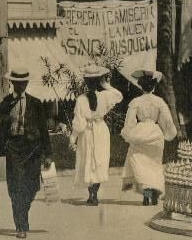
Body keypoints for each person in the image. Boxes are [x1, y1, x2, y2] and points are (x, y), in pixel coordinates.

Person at [0, 68, 53, 238]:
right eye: (17, 82)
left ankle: (22, 213)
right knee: (16, 186)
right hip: (14, 148)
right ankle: (21, 225)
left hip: (32, 149)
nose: (20, 85)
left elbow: (44, 130)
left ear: (26, 83)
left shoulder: (36, 104)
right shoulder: (5, 104)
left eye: (23, 82)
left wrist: (48, 154)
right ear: (12, 83)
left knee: (32, 186)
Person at [121, 69, 178, 206]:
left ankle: (146, 195)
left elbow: (129, 123)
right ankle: (154, 195)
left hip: (140, 133)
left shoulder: (135, 102)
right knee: (154, 165)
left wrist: (128, 134)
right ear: (154, 86)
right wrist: (168, 133)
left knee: (141, 164)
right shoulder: (159, 102)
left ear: (141, 86)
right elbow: (167, 122)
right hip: (154, 133)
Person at [70, 64, 122, 206]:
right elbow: (119, 95)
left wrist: (73, 138)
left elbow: (78, 122)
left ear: (86, 82)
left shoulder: (81, 99)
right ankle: (95, 193)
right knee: (99, 160)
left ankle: (91, 194)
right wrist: (105, 84)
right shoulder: (105, 95)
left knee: (88, 160)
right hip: (100, 130)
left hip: (87, 131)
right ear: (99, 81)